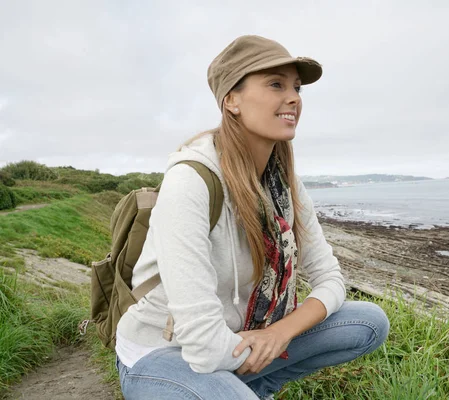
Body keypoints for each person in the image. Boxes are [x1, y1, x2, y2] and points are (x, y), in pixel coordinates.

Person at [115, 35, 390, 400]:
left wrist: (278, 332)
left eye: (296, 87)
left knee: (368, 323)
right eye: (276, 84)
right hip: (160, 354)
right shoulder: (190, 182)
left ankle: (254, 385)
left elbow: (331, 279)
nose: (293, 97)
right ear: (232, 100)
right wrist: (259, 344)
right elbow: (204, 347)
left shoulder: (284, 183)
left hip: (237, 341)